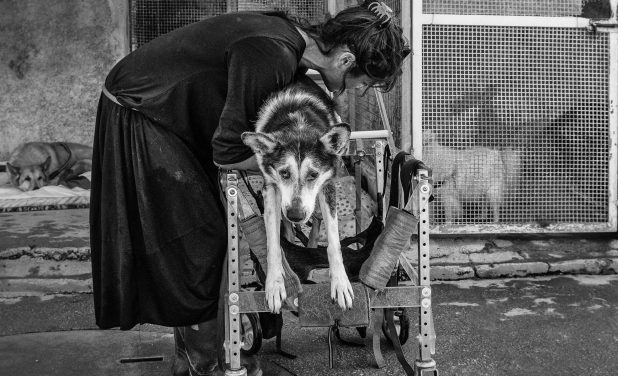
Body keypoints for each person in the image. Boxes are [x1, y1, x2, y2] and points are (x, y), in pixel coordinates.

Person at [89, 1, 410, 375]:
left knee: (206, 232)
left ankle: (208, 353)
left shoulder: (290, 46)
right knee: (201, 235)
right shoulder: (271, 53)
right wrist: (288, 167)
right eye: (365, 83)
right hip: (142, 110)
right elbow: (227, 151)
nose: (359, 92)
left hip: (160, 109)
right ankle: (203, 361)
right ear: (344, 60)